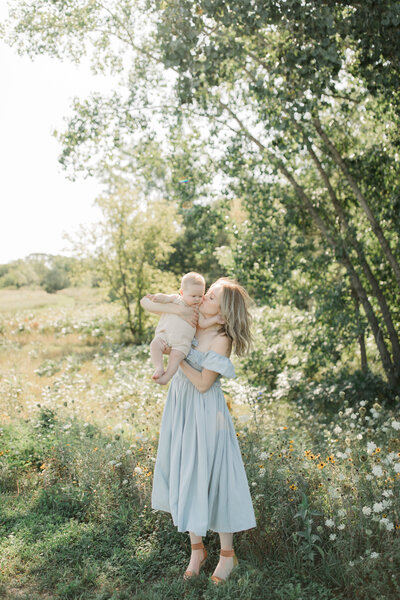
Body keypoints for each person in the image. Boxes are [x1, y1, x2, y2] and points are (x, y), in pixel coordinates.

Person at [140, 277, 256, 585]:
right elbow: (149, 302)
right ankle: (197, 550)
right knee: (185, 473)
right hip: (180, 408)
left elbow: (205, 383)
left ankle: (228, 555)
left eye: (211, 297)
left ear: (222, 311)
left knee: (214, 476)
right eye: (205, 294)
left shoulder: (221, 338)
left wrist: (175, 361)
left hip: (206, 413)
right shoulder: (192, 320)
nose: (203, 298)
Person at [141, 272, 224, 385]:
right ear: (182, 292)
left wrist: (215, 320)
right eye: (193, 296)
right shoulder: (176, 299)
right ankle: (159, 367)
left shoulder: (197, 310)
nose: (197, 299)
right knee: (154, 345)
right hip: (164, 335)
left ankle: (167, 377)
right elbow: (165, 298)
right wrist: (157, 297)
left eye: (200, 296)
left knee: (175, 358)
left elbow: (203, 323)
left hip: (182, 342)